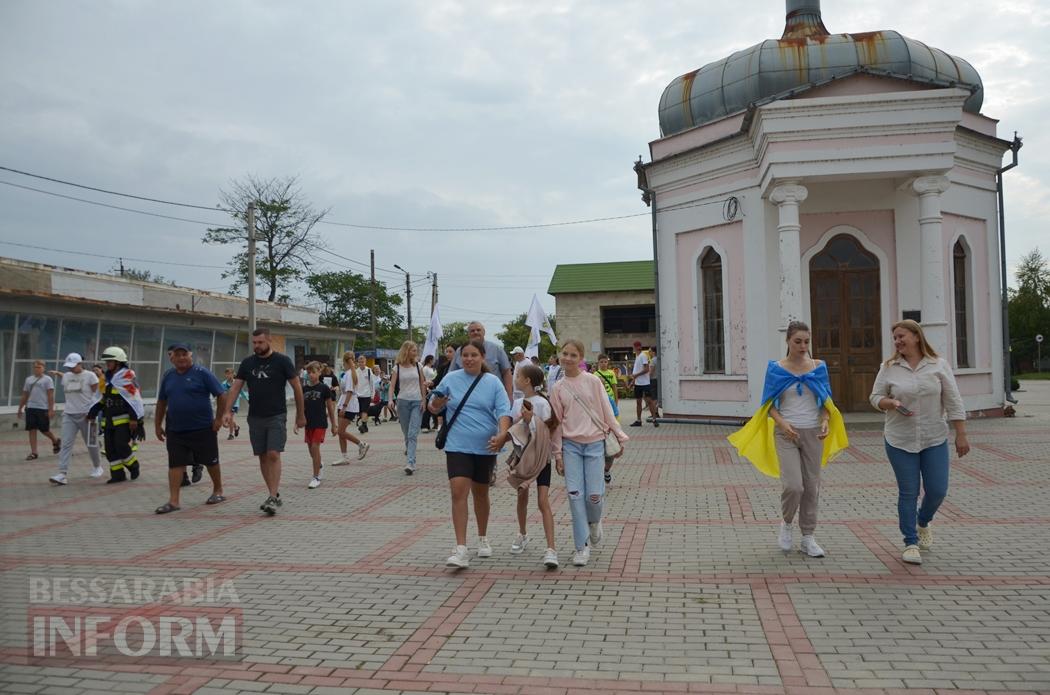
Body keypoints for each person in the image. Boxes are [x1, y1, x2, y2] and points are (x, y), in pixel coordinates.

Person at [728, 321, 849, 557]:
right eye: (798, 342)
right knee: (794, 486)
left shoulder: (819, 367)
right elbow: (769, 405)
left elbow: (826, 403)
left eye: (806, 342)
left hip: (814, 432)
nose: (803, 346)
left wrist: (825, 421)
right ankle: (786, 523)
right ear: (788, 341)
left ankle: (808, 537)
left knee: (811, 487)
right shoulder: (776, 369)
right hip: (786, 433)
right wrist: (783, 425)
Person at [870, 319, 969, 565]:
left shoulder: (938, 365)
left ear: (916, 336)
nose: (898, 341)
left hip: (934, 437)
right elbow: (874, 397)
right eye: (895, 338)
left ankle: (923, 520)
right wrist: (889, 403)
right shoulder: (889, 367)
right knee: (908, 492)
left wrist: (961, 434)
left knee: (937, 490)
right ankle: (910, 542)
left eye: (902, 336)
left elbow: (953, 400)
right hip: (899, 439)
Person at [428, 339, 512, 569]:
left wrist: (503, 434)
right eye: (465, 355)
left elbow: (504, 411)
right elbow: (432, 406)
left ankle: (483, 537)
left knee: (481, 494)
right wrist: (437, 403)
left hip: (485, 446)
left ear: (482, 357)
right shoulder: (450, 379)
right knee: (458, 491)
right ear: (459, 358)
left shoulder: (492, 382)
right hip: (457, 445)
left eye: (474, 355)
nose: (469, 359)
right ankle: (461, 548)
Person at [550, 339, 628, 566]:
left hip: (595, 445)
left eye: (573, 355)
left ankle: (594, 522)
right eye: (565, 354)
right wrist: (557, 454)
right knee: (575, 495)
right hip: (570, 446)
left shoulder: (593, 381)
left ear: (581, 358)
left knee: (594, 496)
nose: (568, 358)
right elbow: (555, 424)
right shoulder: (558, 388)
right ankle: (581, 547)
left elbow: (606, 410)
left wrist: (620, 436)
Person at [222, 327, 305, 515]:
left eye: (260, 342)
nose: (257, 346)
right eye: (254, 343)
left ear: (269, 341)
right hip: (255, 416)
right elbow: (235, 388)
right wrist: (227, 411)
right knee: (262, 455)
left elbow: (297, 387)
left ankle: (273, 497)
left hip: (276, 415)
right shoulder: (247, 363)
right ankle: (272, 493)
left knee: (273, 454)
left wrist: (301, 414)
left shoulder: (282, 361)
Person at [493, 363, 560, 568]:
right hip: (523, 456)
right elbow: (514, 427)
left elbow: (550, 429)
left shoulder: (541, 403)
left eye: (518, 375)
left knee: (542, 501)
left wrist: (557, 455)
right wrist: (500, 440)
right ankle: (522, 533)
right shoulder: (518, 402)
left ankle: (551, 549)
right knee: (521, 495)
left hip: (541, 457)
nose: (515, 378)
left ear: (528, 380)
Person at [154, 343, 227, 513]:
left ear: (190, 355)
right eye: (177, 355)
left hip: (202, 427)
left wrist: (218, 418)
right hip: (175, 429)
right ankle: (174, 501)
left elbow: (221, 394)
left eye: (184, 354)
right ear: (172, 358)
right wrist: (158, 425)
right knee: (175, 464)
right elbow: (162, 401)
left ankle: (218, 490)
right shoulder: (168, 376)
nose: (181, 358)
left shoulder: (202, 373)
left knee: (210, 460)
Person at [89, 347, 145, 484]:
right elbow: (101, 398)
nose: (107, 363)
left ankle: (133, 465)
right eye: (106, 361)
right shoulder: (105, 378)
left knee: (121, 445)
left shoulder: (127, 375)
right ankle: (117, 474)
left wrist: (134, 419)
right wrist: (92, 412)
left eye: (110, 361)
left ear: (118, 362)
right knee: (109, 449)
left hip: (124, 420)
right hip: (108, 420)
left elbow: (133, 398)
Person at [47, 353, 102, 484]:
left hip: (88, 416)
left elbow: (98, 395)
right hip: (69, 414)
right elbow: (68, 380)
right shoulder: (66, 376)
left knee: (92, 443)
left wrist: (92, 413)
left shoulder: (90, 376)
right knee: (66, 443)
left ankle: (97, 466)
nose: (70, 369)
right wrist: (58, 373)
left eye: (73, 366)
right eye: (69, 366)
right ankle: (62, 473)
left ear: (80, 364)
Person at [297, 361, 338, 489]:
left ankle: (316, 477)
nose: (311, 375)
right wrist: (296, 422)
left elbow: (330, 408)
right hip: (308, 423)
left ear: (319, 372)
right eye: (309, 373)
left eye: (313, 372)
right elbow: (300, 407)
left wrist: (334, 425)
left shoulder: (324, 388)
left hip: (320, 422)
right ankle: (319, 463)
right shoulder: (304, 389)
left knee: (315, 447)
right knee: (311, 449)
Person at [390, 341, 428, 475]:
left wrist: (424, 400)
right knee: (406, 433)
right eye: (413, 350)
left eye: (416, 350)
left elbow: (423, 384)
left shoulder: (419, 366)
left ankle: (410, 462)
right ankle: (411, 456)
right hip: (402, 402)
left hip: (417, 402)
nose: (416, 352)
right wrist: (390, 400)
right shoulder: (397, 368)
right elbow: (392, 386)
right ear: (406, 351)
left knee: (412, 433)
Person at [451, 321, 513, 402]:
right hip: (466, 397)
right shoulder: (459, 351)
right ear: (468, 334)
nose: (475, 332)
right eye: (472, 331)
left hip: (493, 397)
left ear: (484, 332)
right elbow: (452, 373)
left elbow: (506, 372)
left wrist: (509, 395)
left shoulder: (496, 349)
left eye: (478, 330)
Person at [333, 351, 370, 465]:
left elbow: (349, 391)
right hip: (344, 403)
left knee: (341, 431)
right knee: (341, 432)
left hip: (348, 405)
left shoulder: (350, 373)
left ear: (344, 361)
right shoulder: (350, 372)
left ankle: (361, 444)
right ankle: (344, 457)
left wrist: (344, 407)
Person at [18, 360, 60, 460]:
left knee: (44, 429)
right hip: (30, 407)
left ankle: (55, 440)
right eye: (35, 367)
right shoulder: (29, 379)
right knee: (31, 429)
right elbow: (25, 394)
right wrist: (20, 408)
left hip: (43, 408)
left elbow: (50, 395)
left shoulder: (47, 380)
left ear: (43, 368)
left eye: (39, 367)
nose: (37, 369)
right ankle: (34, 452)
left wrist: (51, 409)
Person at [593, 354, 620, 484]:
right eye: (601, 362)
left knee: (610, 453)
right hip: (594, 432)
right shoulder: (590, 399)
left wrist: (617, 433)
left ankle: (606, 470)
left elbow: (615, 417)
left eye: (605, 361)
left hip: (608, 430)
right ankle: (597, 475)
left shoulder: (609, 400)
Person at [628, 340, 659, 428]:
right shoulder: (637, 357)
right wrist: (633, 382)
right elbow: (637, 371)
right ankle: (639, 420)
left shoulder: (643, 356)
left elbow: (646, 369)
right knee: (638, 402)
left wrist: (635, 375)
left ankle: (654, 419)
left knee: (649, 401)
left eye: (635, 347)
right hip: (638, 384)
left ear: (634, 347)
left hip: (645, 384)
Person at [220, 368, 247, 440]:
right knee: (227, 421)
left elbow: (241, 392)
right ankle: (236, 427)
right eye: (227, 374)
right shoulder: (223, 384)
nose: (228, 375)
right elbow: (221, 393)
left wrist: (247, 399)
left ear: (233, 374)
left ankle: (231, 434)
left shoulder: (236, 383)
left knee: (230, 418)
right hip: (227, 404)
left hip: (235, 404)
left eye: (230, 374)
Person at [354, 354, 374, 433]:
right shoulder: (356, 371)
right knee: (360, 412)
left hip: (367, 395)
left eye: (363, 362)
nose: (361, 363)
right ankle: (365, 425)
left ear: (365, 362)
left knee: (364, 411)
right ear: (358, 362)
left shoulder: (369, 371)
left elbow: (372, 384)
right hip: (358, 395)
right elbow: (355, 383)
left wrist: (372, 394)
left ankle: (363, 425)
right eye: (360, 362)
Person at [420, 354, 438, 433]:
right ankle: (424, 425)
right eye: (433, 359)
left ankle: (429, 425)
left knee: (431, 407)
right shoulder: (425, 368)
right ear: (430, 360)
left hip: (434, 388)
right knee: (427, 408)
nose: (434, 361)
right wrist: (427, 389)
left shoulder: (433, 369)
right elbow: (424, 379)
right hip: (427, 388)